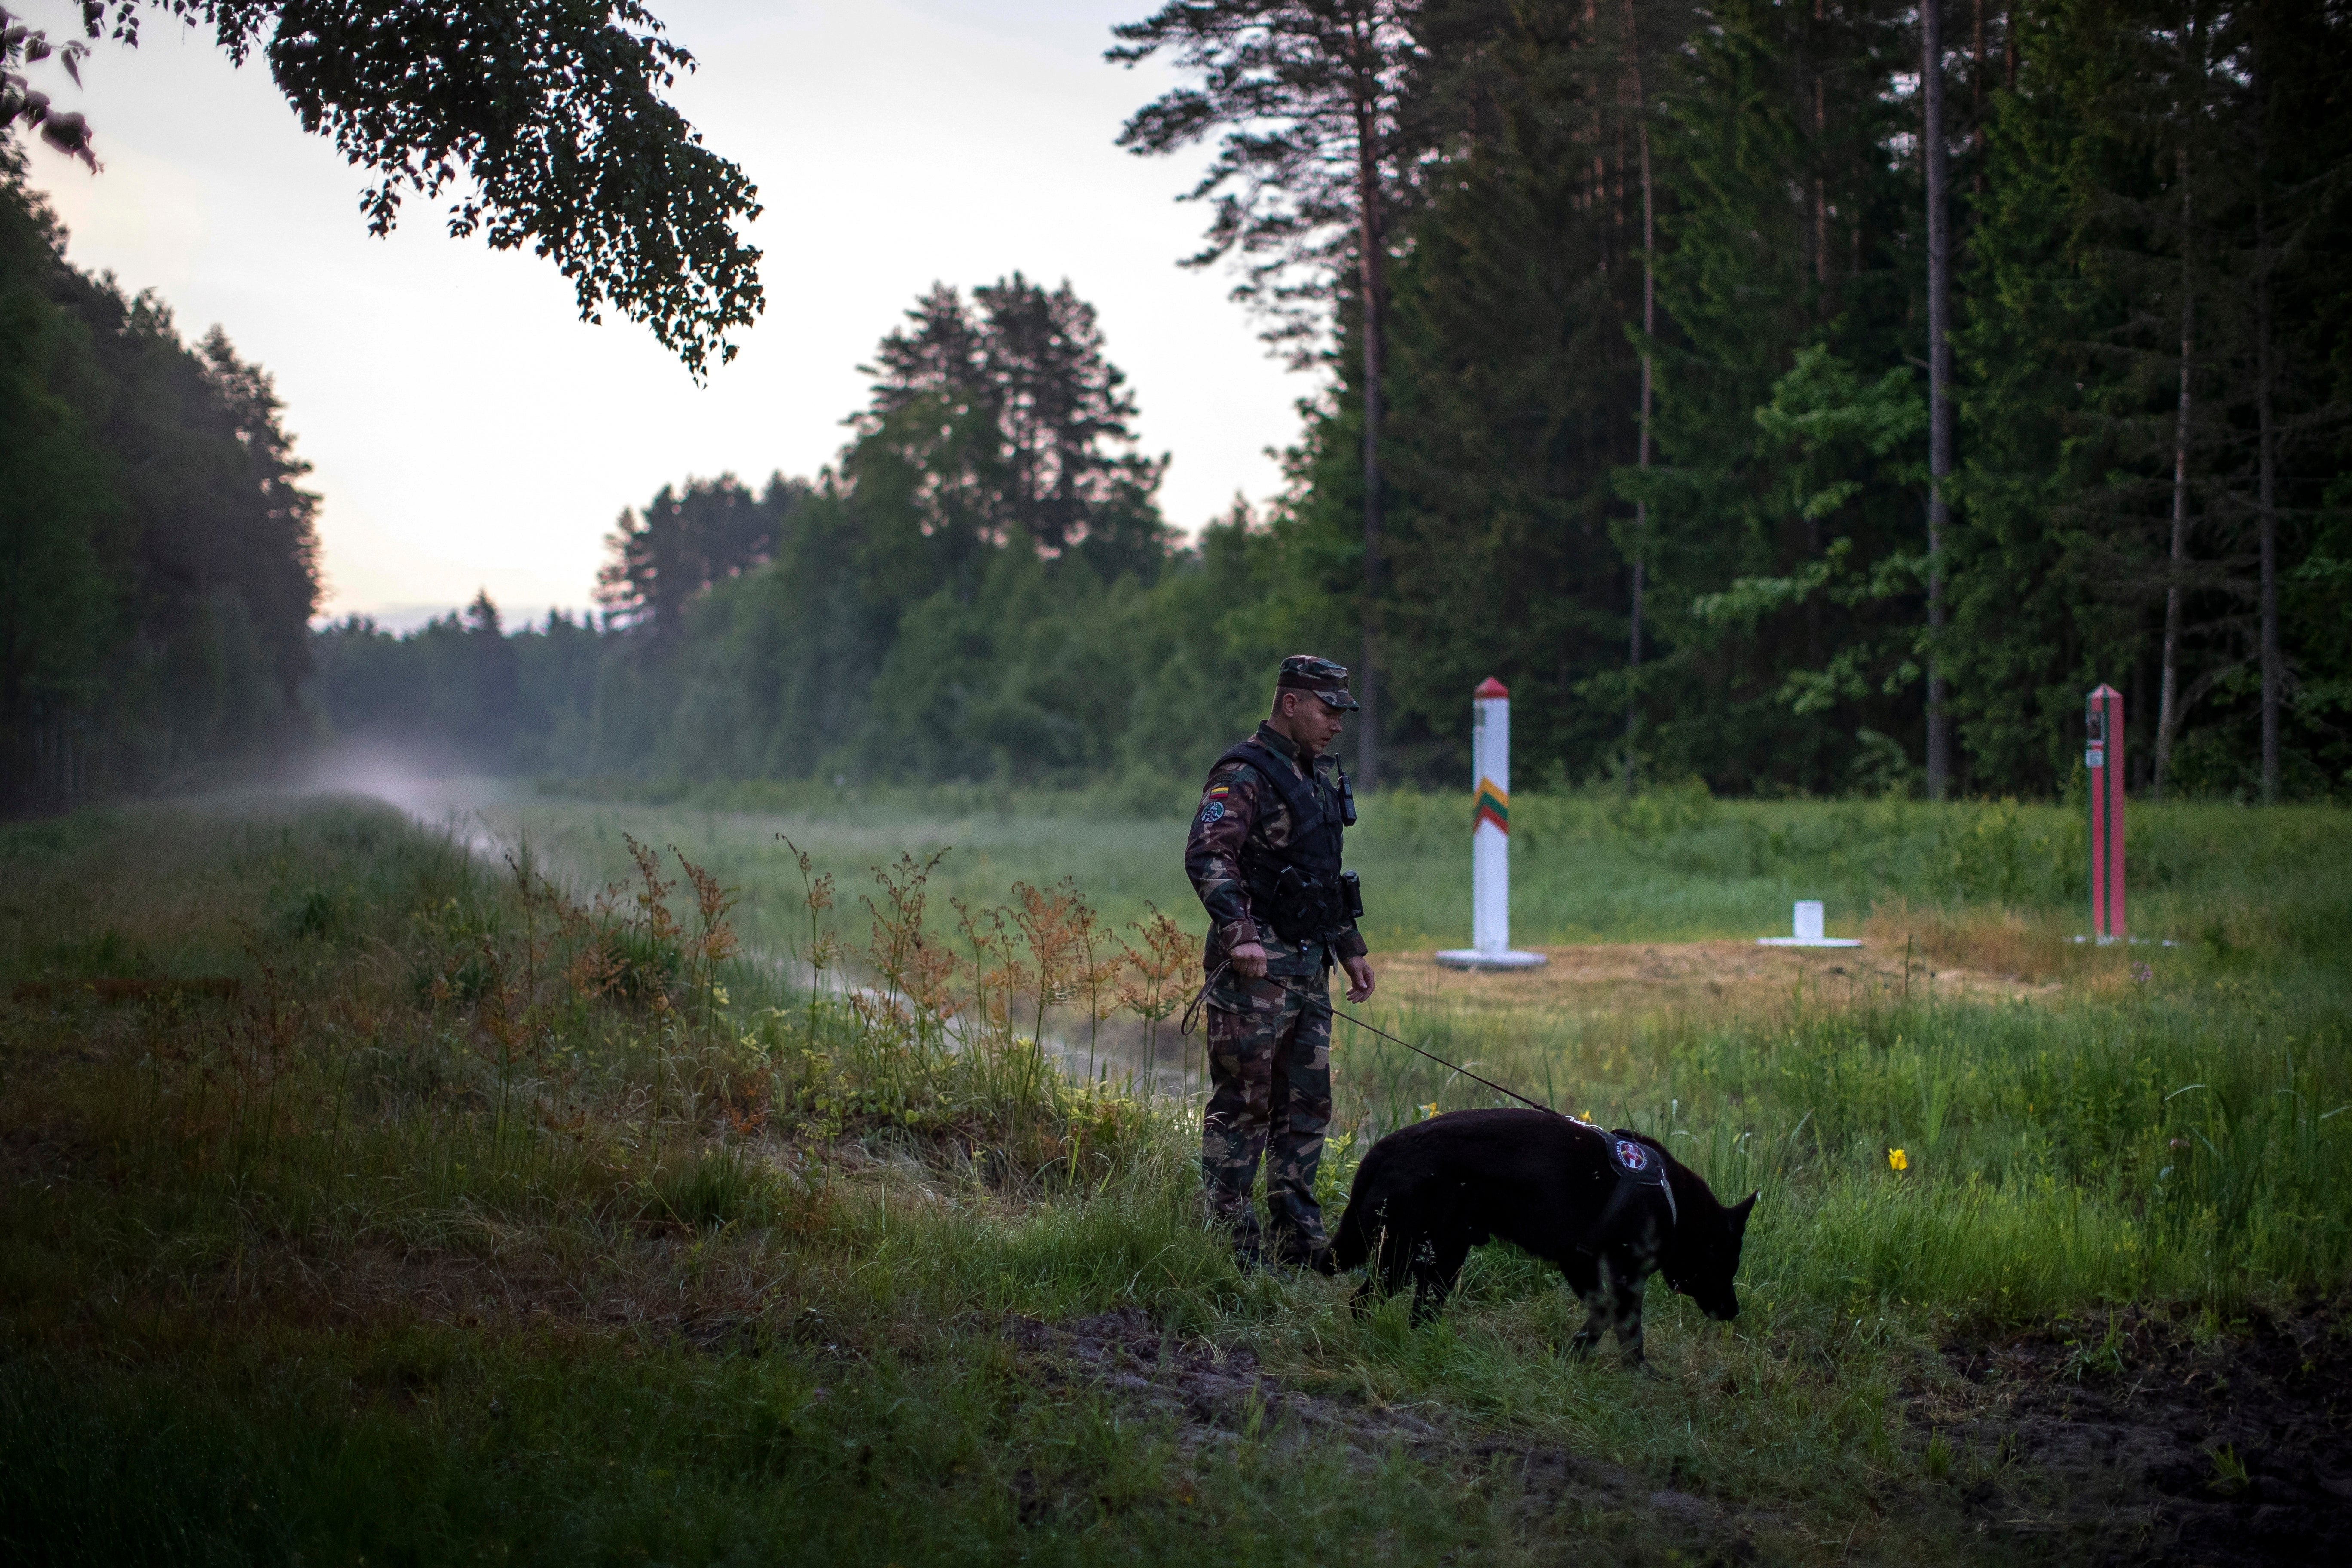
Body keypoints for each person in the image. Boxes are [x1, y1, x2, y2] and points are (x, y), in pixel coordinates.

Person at [1184, 654, 1376, 1271]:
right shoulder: (1243, 774)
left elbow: (1320, 872)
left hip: (1308, 966)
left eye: (1342, 713)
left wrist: (1349, 948)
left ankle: (1298, 1237)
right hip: (1255, 973)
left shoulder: (1316, 775)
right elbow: (1210, 856)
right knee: (1245, 1101)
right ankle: (1228, 1238)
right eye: (1328, 711)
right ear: (1291, 704)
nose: (1337, 725)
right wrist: (1240, 934)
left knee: (1306, 1105)